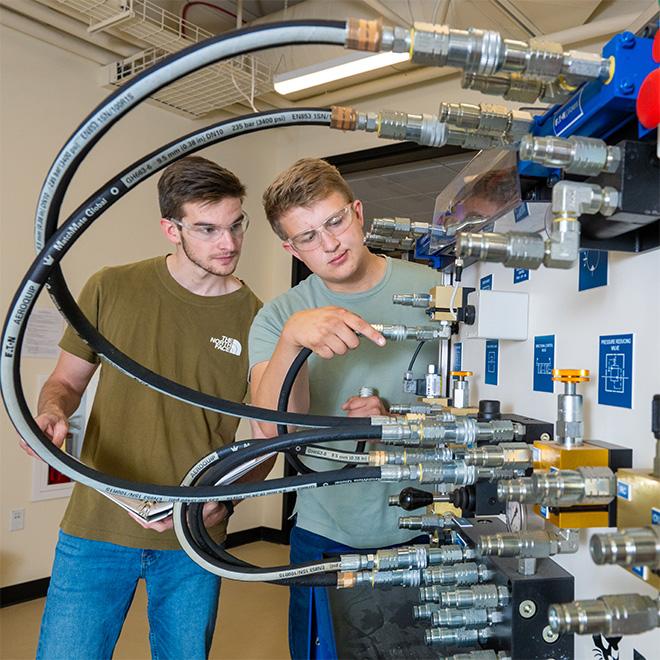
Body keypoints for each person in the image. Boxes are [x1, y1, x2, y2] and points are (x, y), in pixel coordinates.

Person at [25, 156, 263, 660]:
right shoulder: (112, 287)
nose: (228, 243)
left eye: (236, 224)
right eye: (207, 228)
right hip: (97, 526)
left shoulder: (257, 319)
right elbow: (65, 382)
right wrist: (51, 414)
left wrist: (229, 499)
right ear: (169, 229)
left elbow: (267, 437)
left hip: (194, 535)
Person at [249, 157, 442, 659]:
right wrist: (293, 342)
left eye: (335, 222)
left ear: (357, 213)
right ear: (290, 248)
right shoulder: (278, 317)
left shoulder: (436, 290)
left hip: (428, 524)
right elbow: (269, 432)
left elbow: (487, 406)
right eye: (308, 237)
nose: (330, 244)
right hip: (326, 531)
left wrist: (397, 424)